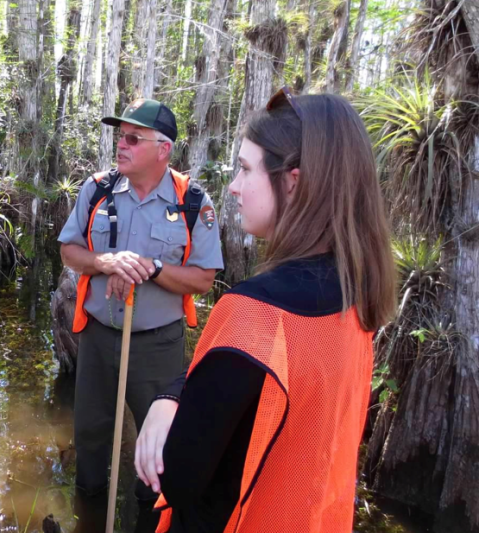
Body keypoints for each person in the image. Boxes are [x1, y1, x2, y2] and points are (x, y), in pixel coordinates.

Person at [134, 89, 396, 533]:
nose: (234, 186)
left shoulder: (254, 314)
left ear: (293, 182)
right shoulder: (359, 292)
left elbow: (176, 478)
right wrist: (172, 395)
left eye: (246, 168)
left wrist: (164, 406)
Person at [58, 98, 224, 532]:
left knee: (156, 447)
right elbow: (69, 250)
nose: (122, 145)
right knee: (91, 436)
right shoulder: (97, 188)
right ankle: (90, 511)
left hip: (158, 345)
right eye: (120, 136)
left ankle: (148, 516)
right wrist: (107, 262)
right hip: (96, 338)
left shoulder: (194, 203)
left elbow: (204, 279)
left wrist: (151, 268)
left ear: (163, 149)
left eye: (134, 138)